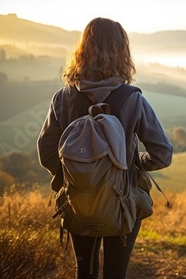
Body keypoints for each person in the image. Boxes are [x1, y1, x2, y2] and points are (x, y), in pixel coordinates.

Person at [37, 17, 173, 279]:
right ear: (122, 52)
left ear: (82, 50)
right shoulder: (133, 99)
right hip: (124, 205)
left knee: (84, 272)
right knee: (115, 273)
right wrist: (134, 161)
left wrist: (77, 174)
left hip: (78, 202)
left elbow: (46, 152)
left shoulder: (63, 97)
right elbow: (162, 154)